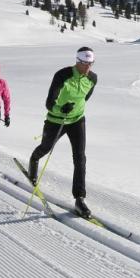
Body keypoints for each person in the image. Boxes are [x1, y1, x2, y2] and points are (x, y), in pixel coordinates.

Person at [26, 46, 98, 217]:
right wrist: (61, 108)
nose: (88, 67)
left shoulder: (93, 78)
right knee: (46, 148)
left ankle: (79, 199)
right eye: (85, 63)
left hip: (77, 120)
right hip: (56, 120)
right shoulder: (62, 75)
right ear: (77, 61)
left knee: (80, 157)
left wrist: (74, 109)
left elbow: (85, 98)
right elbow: (49, 103)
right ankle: (33, 161)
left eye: (91, 63)